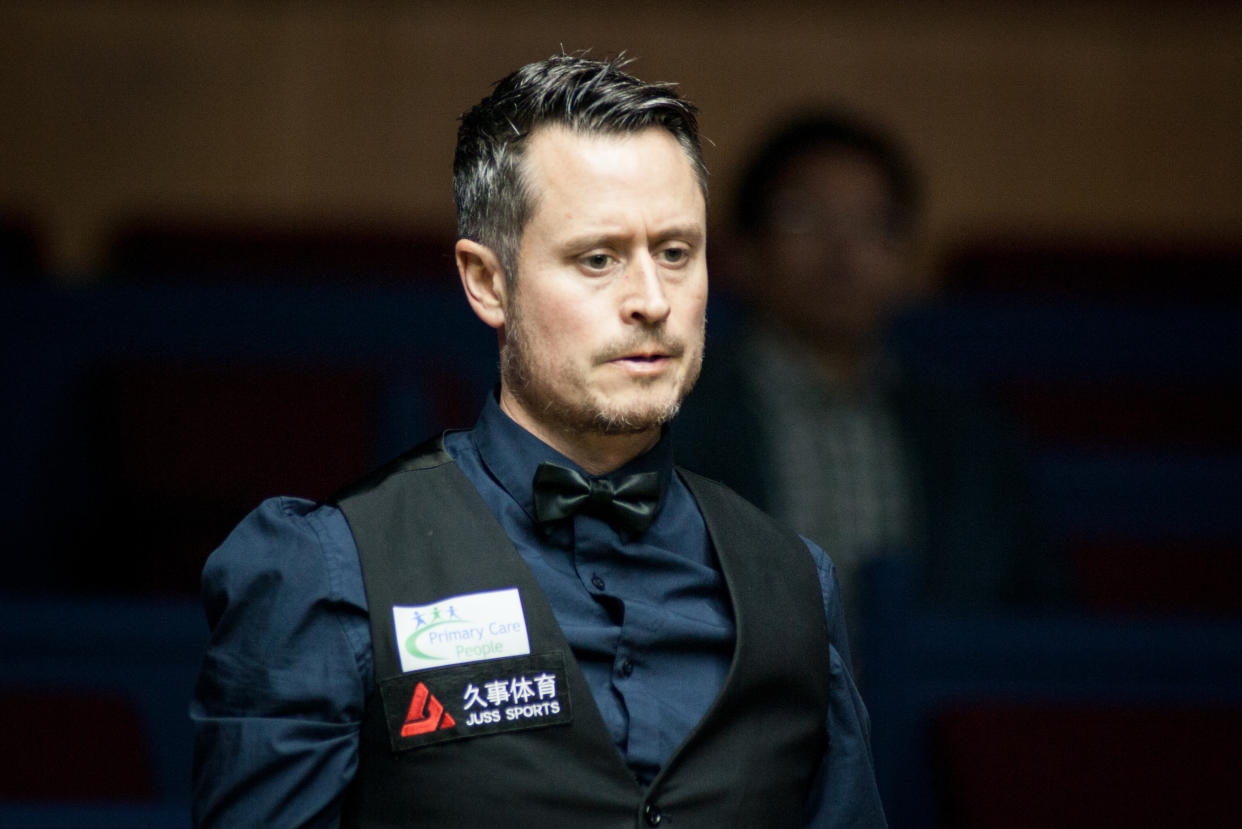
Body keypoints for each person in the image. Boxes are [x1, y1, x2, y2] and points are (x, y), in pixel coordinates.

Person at [191, 56, 886, 828]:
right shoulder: (331, 570)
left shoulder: (791, 582)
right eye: (598, 258)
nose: (652, 301)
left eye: (677, 253)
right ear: (488, 282)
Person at [676, 113, 1063, 640]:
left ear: (907, 257)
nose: (842, 252)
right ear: (743, 250)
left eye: (874, 223)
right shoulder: (675, 413)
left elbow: (1036, 611)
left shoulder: (970, 431)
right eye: (803, 216)